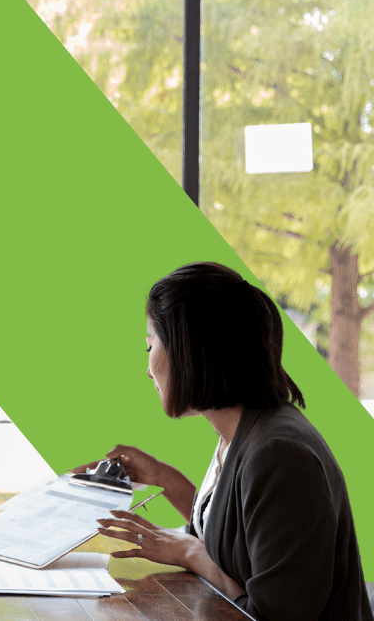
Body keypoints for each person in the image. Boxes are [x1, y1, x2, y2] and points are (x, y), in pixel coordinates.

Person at [78, 262, 372, 621]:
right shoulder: (242, 430)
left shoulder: (278, 454)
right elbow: (233, 541)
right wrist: (162, 478)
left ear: (189, 350)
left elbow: (274, 615)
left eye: (150, 345)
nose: (148, 367)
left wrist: (190, 554)